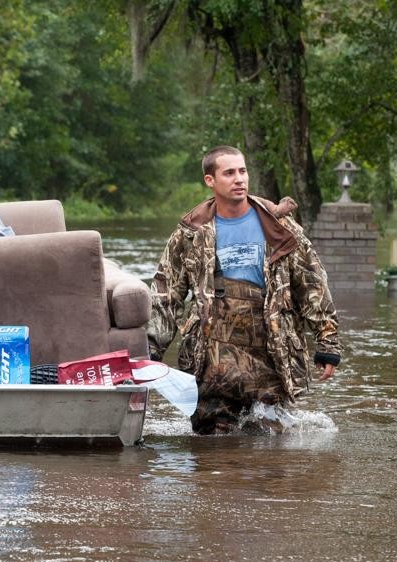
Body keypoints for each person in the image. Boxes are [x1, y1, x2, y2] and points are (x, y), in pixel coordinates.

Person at [146, 146, 342, 435]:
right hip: (211, 360)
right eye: (229, 173)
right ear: (210, 181)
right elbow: (166, 295)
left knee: (272, 446)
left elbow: (312, 285)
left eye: (242, 171)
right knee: (211, 448)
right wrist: (149, 355)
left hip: (272, 353)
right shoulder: (189, 233)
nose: (239, 179)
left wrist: (328, 343)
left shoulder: (280, 227)